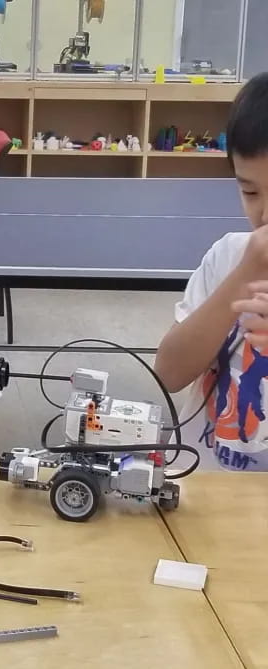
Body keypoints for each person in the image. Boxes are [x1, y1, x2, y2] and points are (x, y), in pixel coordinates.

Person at [155, 72, 268, 471]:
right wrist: (245, 271)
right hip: (199, 487)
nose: (265, 215)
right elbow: (168, 374)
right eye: (250, 192)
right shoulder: (227, 257)